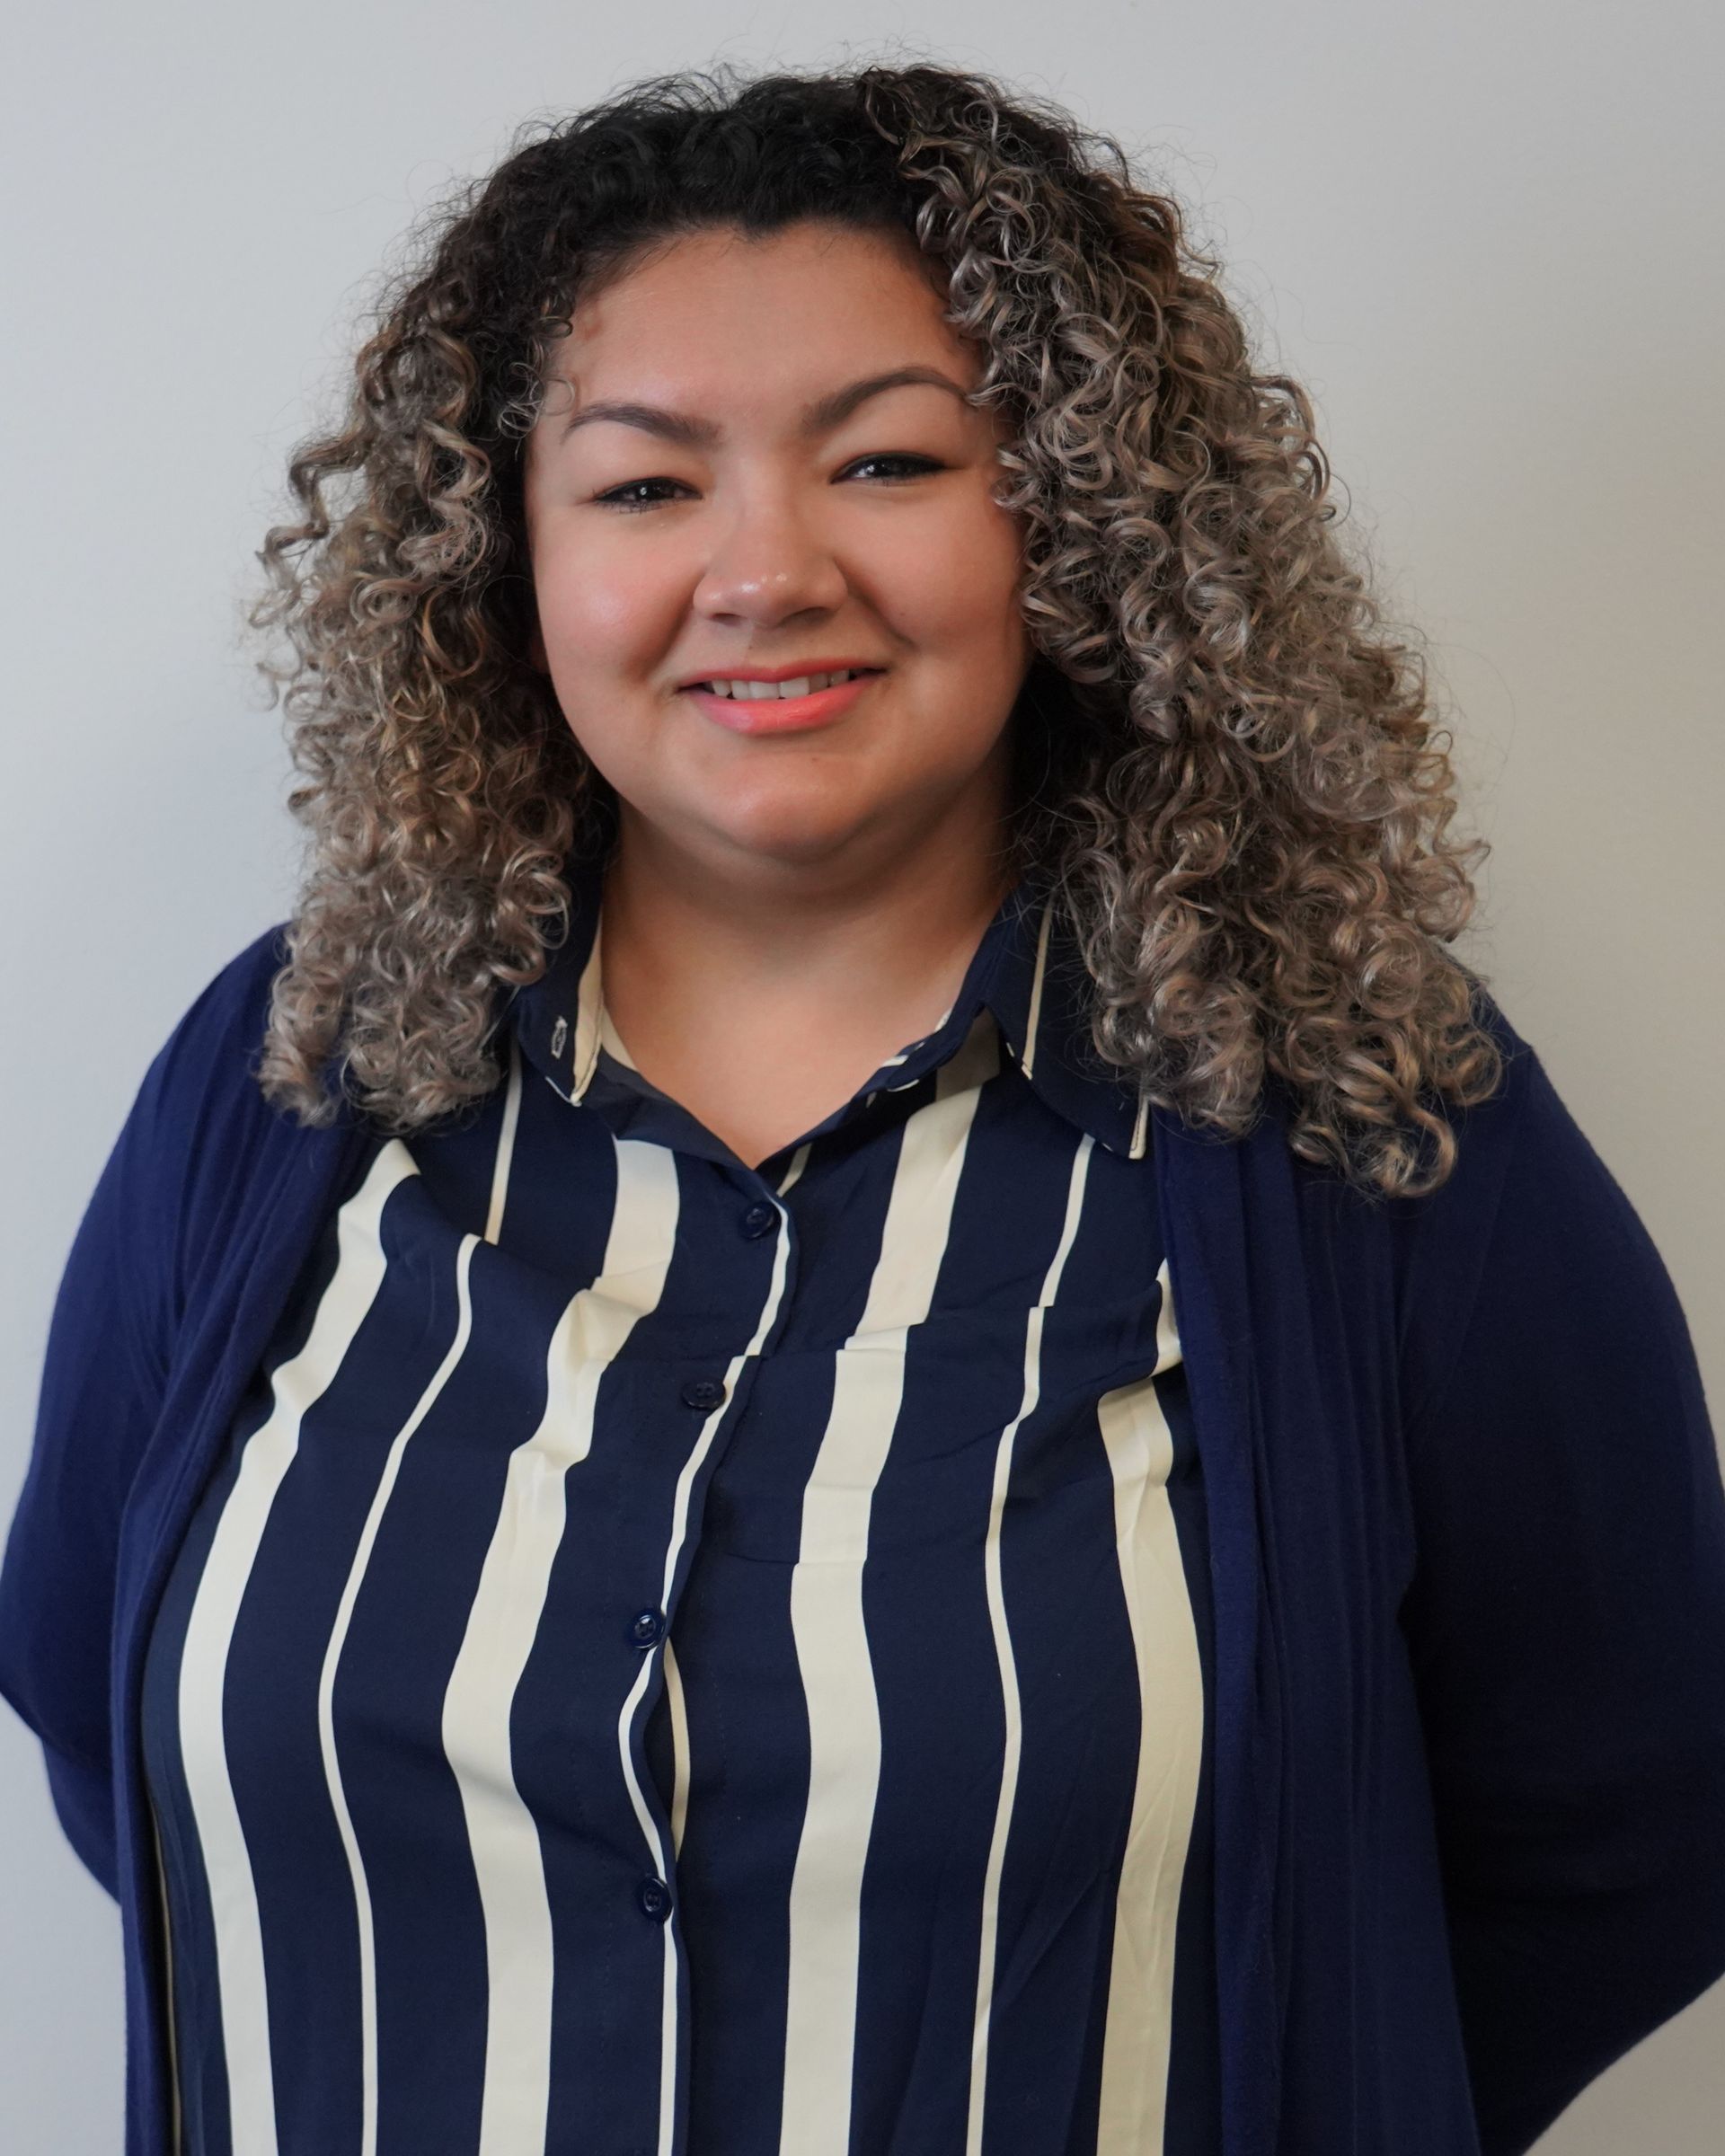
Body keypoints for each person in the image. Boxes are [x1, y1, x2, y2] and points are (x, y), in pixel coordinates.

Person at [3, 57, 1723, 2156]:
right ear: (502, 560)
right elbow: (116, 1714)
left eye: (890, 463)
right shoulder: (290, 1078)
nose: (765, 570)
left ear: (1074, 521)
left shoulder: (1363, 1113)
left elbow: (1632, 1818)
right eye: (644, 487)